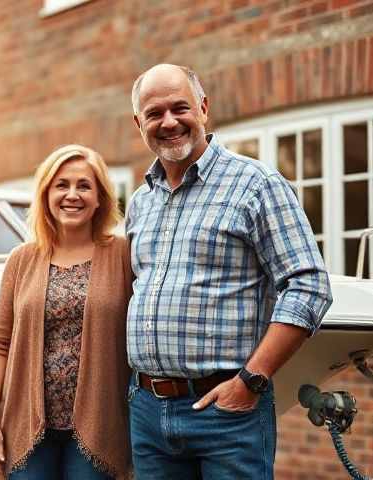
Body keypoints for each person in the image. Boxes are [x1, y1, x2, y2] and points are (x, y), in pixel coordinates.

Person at [125, 63, 333, 479]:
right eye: (154, 113)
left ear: (203, 108)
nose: (169, 122)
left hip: (227, 412)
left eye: (179, 108)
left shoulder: (256, 183)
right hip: (147, 410)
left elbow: (309, 286)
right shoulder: (139, 203)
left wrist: (250, 381)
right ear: (139, 123)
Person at [0, 145, 133, 480]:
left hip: (99, 425)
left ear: (100, 197)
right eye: (61, 185)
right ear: (46, 193)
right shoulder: (21, 260)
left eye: (84, 186)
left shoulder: (123, 254)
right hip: (27, 426)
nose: (72, 195)